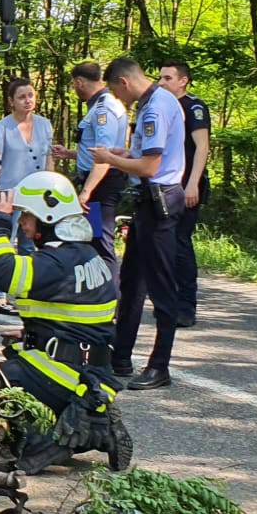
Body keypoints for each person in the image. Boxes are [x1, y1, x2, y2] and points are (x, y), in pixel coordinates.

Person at [0, 173, 132, 473]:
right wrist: (35, 331)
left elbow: (3, 272)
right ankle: (91, 419)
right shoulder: (86, 255)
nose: (21, 223)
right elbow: (79, 314)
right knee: (14, 363)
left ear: (47, 216)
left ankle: (68, 434)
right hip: (90, 370)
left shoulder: (55, 263)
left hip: (66, 373)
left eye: (27, 216)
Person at [90, 57, 188, 390]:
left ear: (123, 82)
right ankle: (120, 357)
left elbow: (148, 167)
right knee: (132, 281)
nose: (120, 100)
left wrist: (109, 159)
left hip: (161, 199)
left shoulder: (156, 107)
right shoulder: (153, 103)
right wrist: (112, 153)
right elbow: (140, 154)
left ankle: (159, 366)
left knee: (160, 286)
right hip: (148, 201)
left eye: (117, 92)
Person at [55, 61, 128, 267]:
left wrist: (86, 192)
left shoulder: (104, 110)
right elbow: (95, 151)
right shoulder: (97, 106)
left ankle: (109, 295)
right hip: (97, 181)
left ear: (79, 82)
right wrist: (69, 154)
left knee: (101, 243)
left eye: (73, 84)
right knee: (91, 240)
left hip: (101, 185)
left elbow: (103, 156)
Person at [0, 77, 54, 314]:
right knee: (5, 243)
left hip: (36, 193)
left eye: (31, 95)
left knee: (30, 245)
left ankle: (24, 293)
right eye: (21, 97)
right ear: (11, 102)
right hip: (9, 192)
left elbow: (49, 157)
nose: (27, 101)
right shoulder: (2, 127)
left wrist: (51, 186)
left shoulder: (45, 124)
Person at [159, 59, 213, 328]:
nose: (161, 83)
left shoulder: (194, 106)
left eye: (168, 78)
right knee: (163, 244)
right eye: (160, 78)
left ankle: (186, 306)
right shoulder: (163, 106)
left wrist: (192, 184)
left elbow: (202, 147)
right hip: (166, 186)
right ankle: (166, 300)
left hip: (188, 184)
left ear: (183, 80)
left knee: (181, 243)